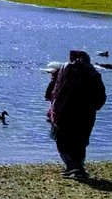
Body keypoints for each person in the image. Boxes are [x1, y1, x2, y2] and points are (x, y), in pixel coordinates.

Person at [45, 49, 106, 181]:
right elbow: (101, 98)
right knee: (81, 141)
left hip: (64, 113)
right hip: (86, 115)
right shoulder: (94, 73)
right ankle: (79, 167)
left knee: (62, 139)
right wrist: (93, 107)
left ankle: (71, 166)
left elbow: (51, 93)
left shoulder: (63, 70)